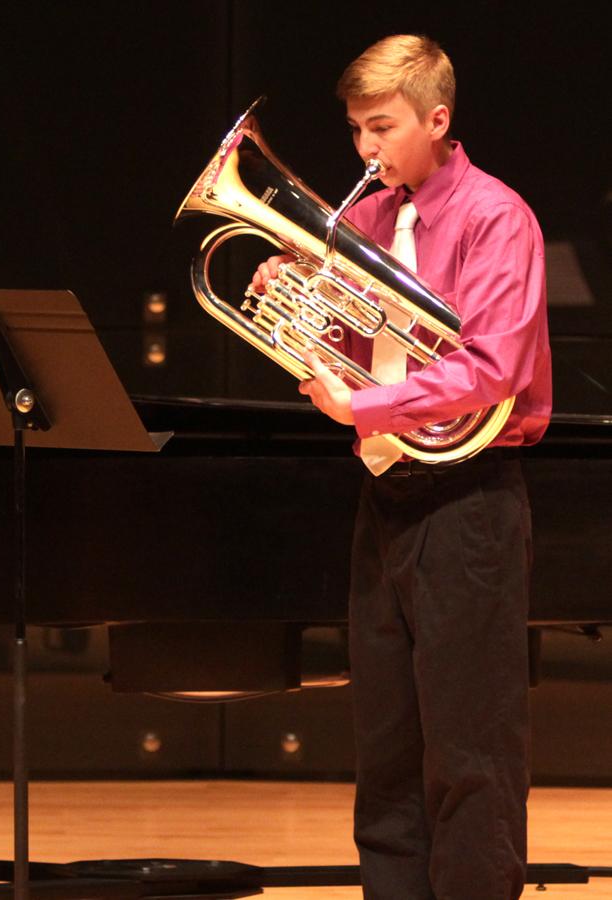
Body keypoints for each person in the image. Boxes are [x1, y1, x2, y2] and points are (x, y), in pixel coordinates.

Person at [252, 34, 552, 900]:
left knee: (471, 756)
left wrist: (365, 409)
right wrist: (290, 294)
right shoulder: (371, 220)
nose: (365, 150)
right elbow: (364, 341)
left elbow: (493, 366)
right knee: (385, 749)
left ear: (438, 119)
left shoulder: (497, 218)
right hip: (385, 497)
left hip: (469, 503)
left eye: (380, 127)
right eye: (354, 130)